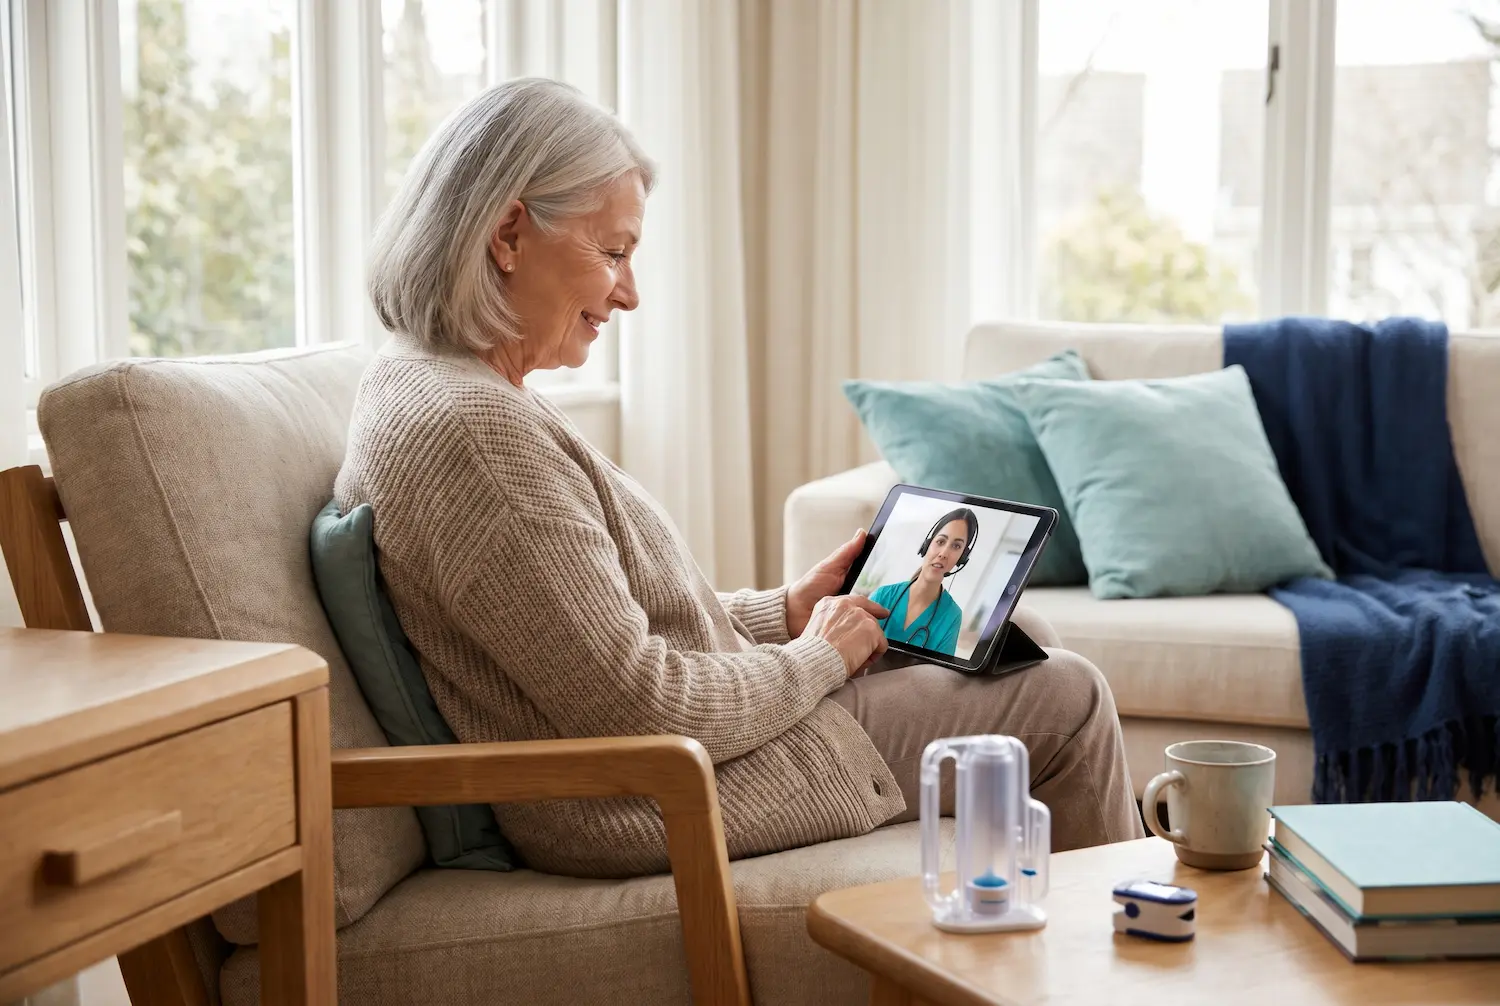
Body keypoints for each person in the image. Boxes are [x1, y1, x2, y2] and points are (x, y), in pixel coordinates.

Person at [337, 78, 1144, 879]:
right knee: (1064, 697)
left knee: (1018, 636)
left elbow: (591, 632)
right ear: (508, 234)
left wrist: (785, 612)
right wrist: (820, 656)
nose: (630, 293)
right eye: (612, 252)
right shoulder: (477, 433)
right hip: (656, 795)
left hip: (679, 763)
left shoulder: (450, 387)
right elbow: (641, 705)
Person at [868, 508, 975, 656]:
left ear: (962, 558)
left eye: (956, 546)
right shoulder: (883, 596)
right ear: (927, 545)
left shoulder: (952, 616)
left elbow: (940, 674)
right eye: (941, 541)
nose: (943, 553)